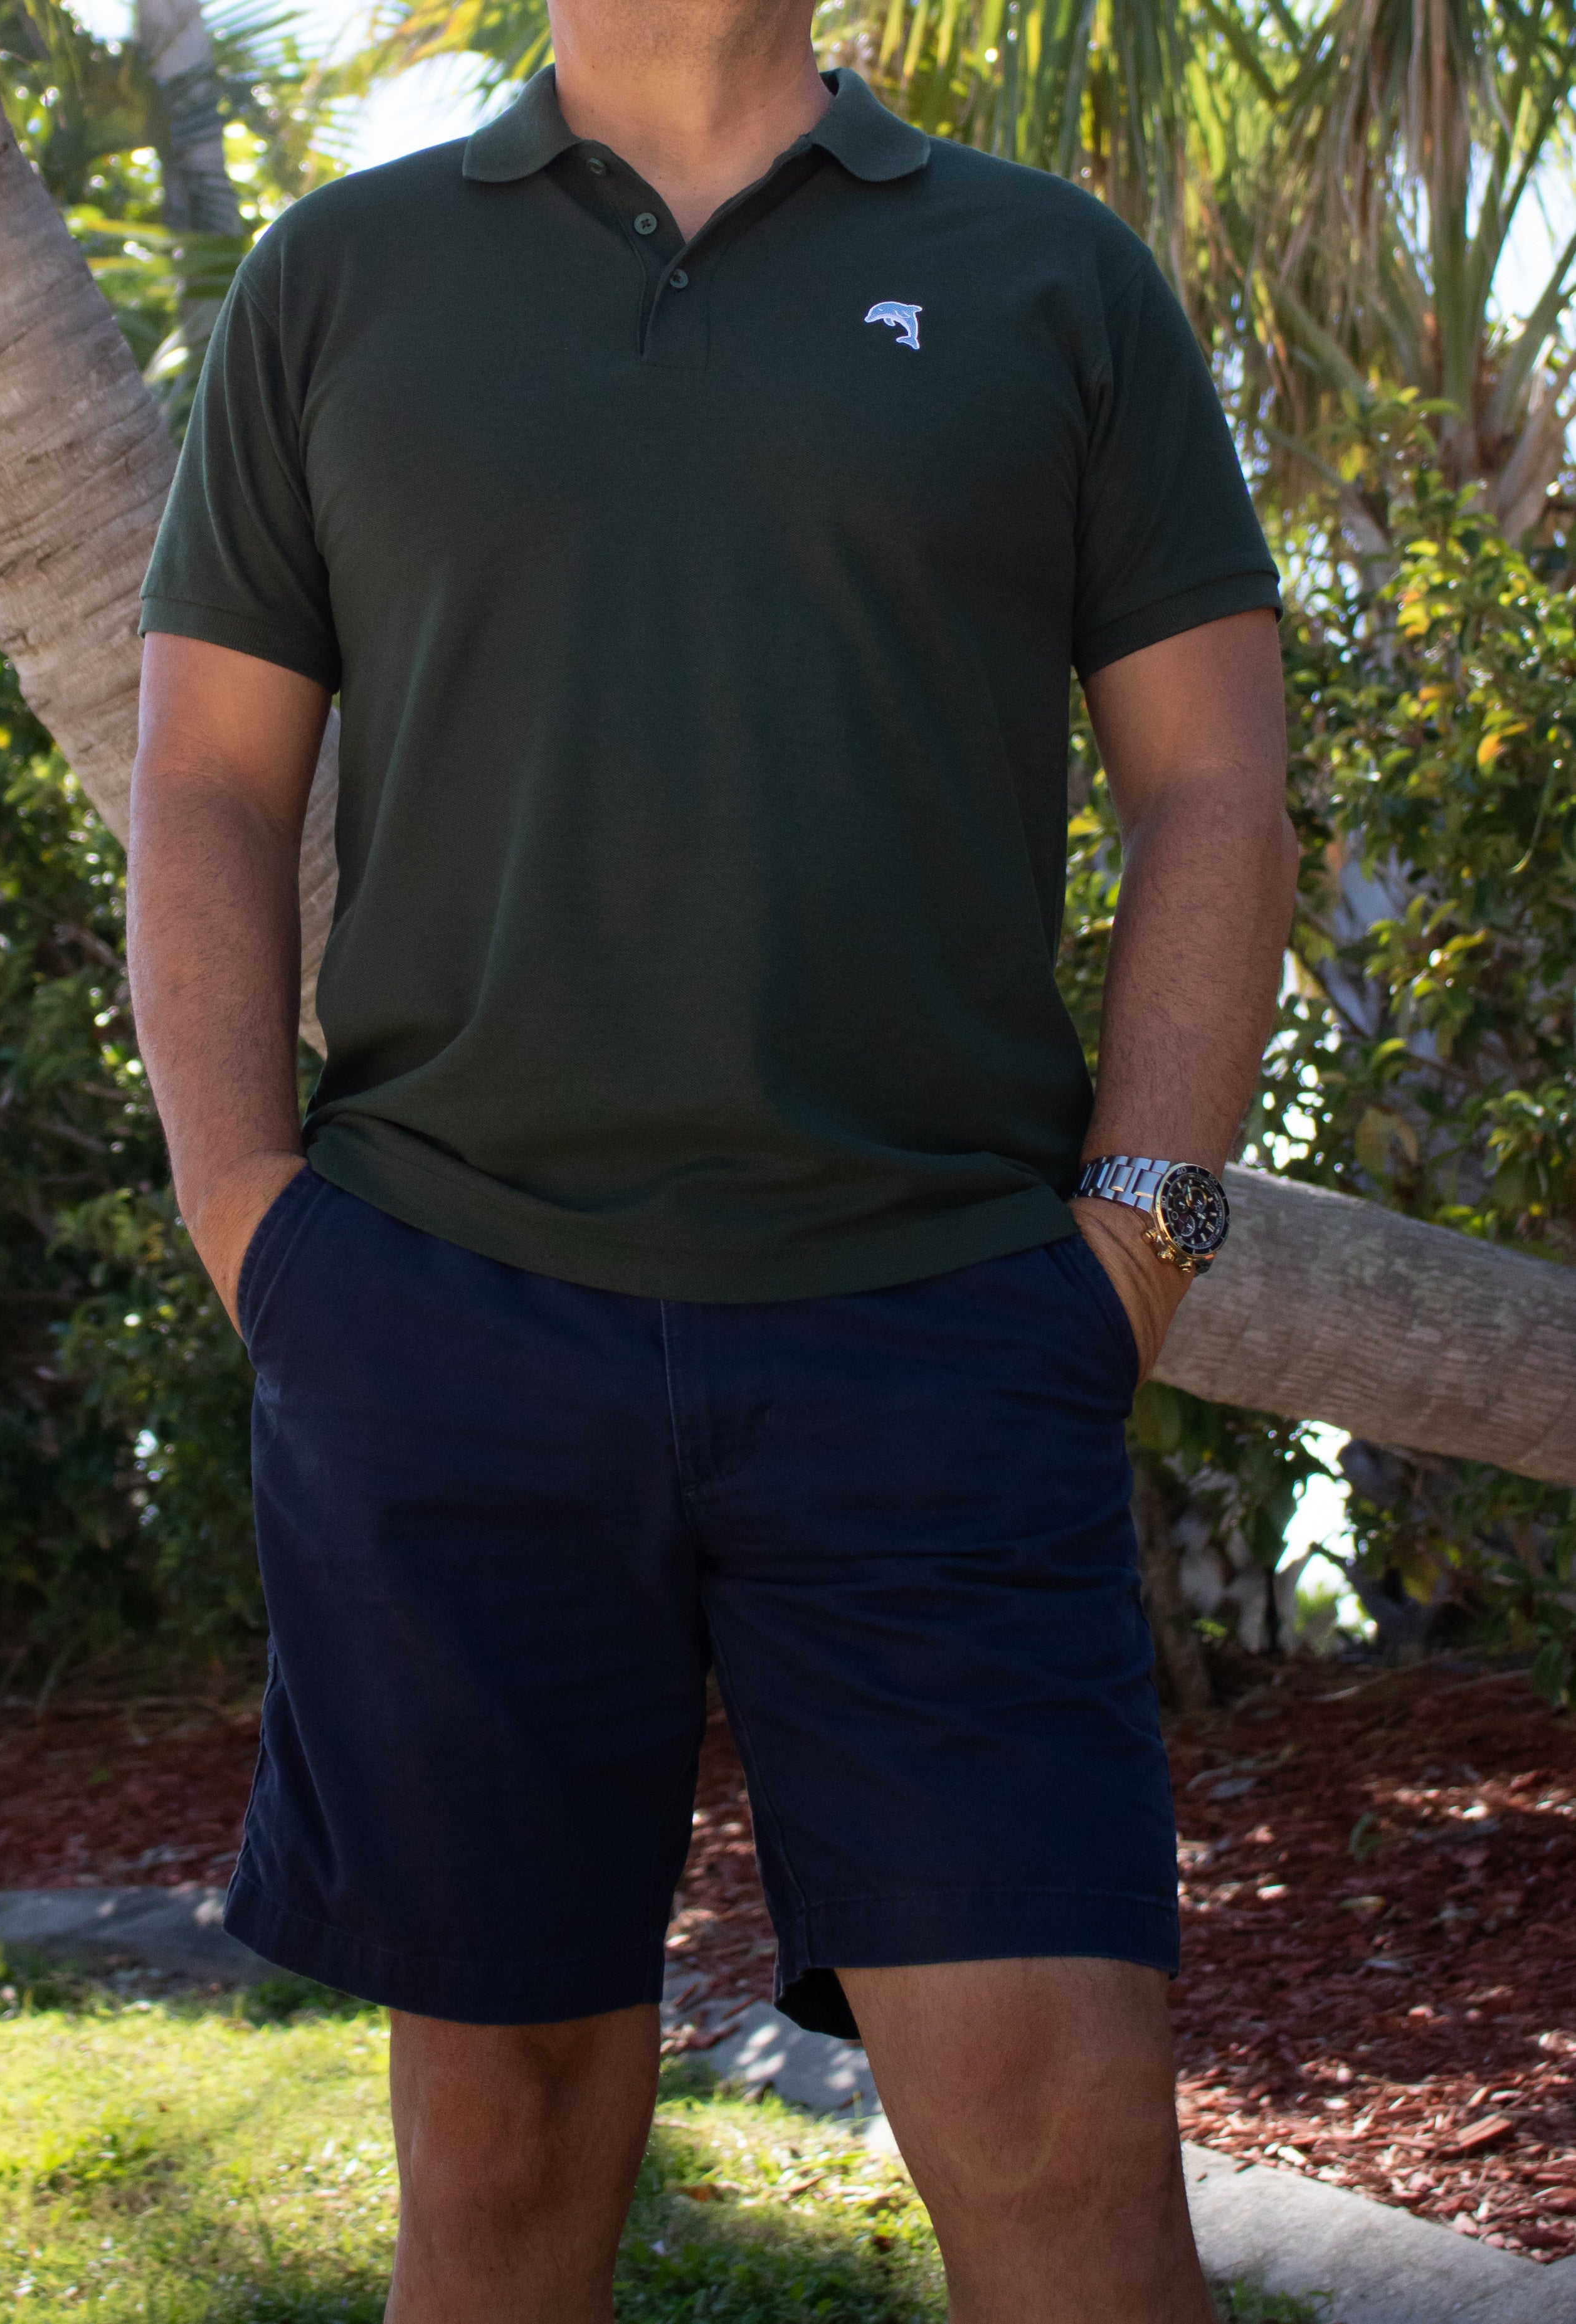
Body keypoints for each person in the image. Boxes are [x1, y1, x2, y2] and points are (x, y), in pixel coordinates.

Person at [126, 0, 1297, 2311]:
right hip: (449, 1322)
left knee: (1065, 2129)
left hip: (942, 1326)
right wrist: (252, 1216)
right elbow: (209, 782)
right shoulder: (339, 278)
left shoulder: (1049, 274)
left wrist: (1141, 1234)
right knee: (499, 2153)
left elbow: (1213, 778)